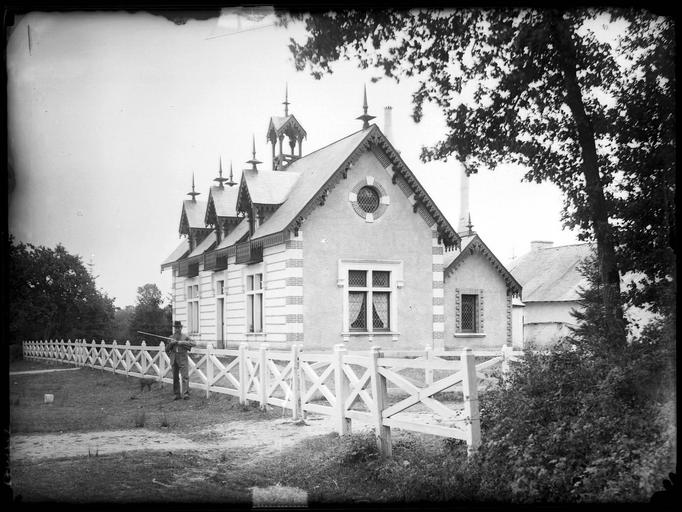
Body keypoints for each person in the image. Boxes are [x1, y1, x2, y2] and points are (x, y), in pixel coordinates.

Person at [167, 320, 196, 400]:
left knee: (185, 376)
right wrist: (171, 344)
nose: (177, 329)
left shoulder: (185, 337)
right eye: (176, 328)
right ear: (174, 328)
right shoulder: (170, 337)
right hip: (174, 359)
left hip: (183, 358)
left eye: (178, 328)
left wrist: (182, 343)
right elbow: (166, 349)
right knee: (175, 377)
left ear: (181, 328)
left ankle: (185, 394)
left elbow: (194, 343)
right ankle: (177, 394)